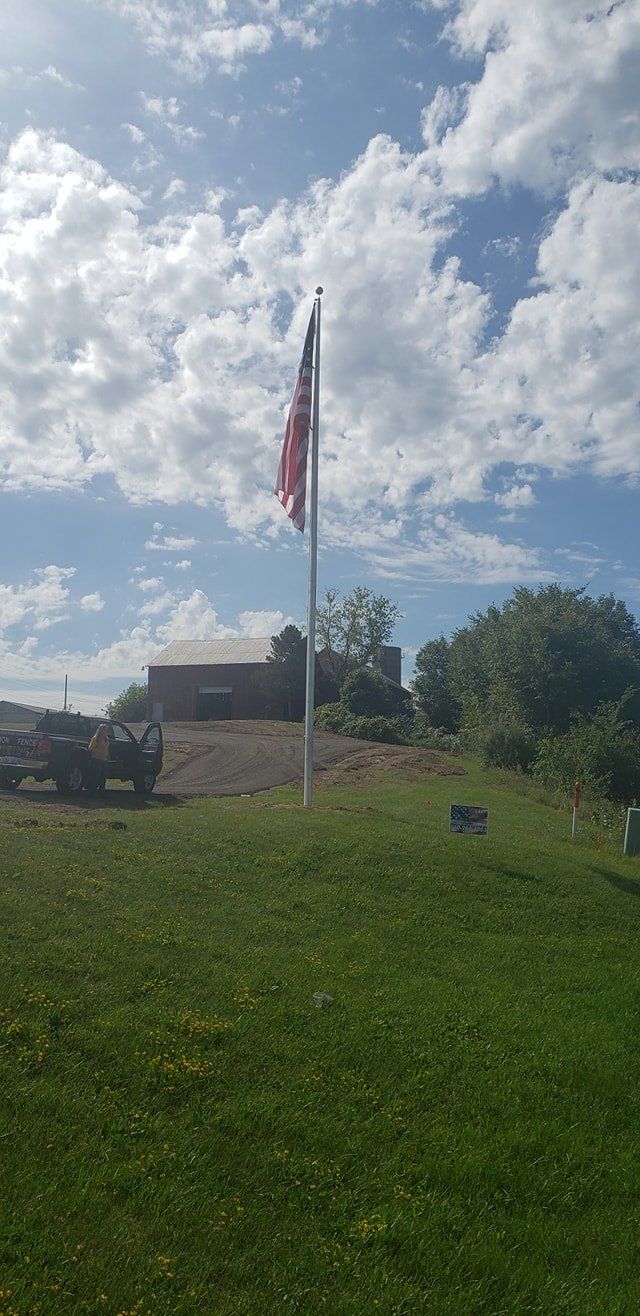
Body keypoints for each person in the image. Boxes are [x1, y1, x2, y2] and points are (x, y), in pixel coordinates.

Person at [88, 723, 110, 793]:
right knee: (95, 777)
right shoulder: (95, 738)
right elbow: (90, 748)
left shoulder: (106, 738)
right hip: (96, 760)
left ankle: (102, 792)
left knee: (103, 778)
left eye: (106, 730)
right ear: (100, 730)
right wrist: (97, 751)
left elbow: (106, 748)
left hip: (104, 760)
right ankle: (92, 792)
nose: (105, 731)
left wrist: (107, 755)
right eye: (104, 730)